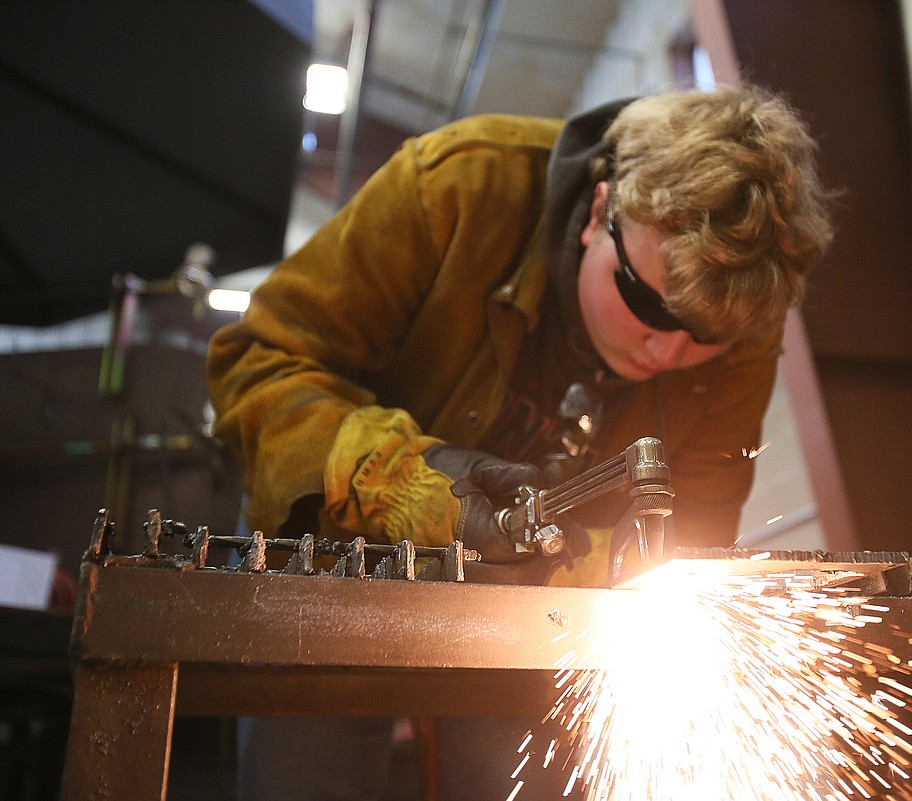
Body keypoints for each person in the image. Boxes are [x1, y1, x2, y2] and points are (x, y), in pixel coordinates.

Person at [207, 82, 833, 800]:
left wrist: (604, 572)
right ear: (602, 210)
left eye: (704, 339)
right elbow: (259, 362)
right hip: (333, 555)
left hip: (532, 612)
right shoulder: (461, 184)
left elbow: (694, 523)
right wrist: (405, 481)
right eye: (646, 304)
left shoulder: (740, 310)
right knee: (310, 780)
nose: (666, 351)